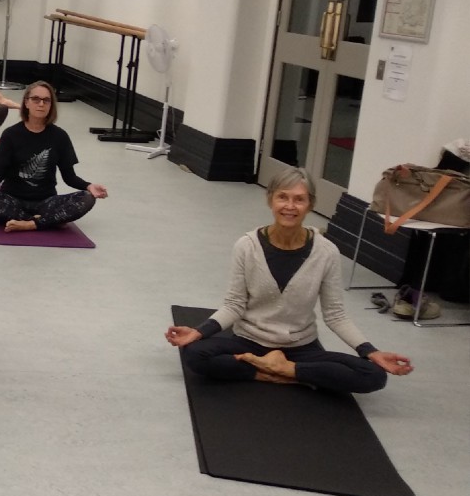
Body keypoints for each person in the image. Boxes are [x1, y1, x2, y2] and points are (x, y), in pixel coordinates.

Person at [165, 168, 413, 393]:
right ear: (270, 200)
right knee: (194, 354)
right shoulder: (247, 246)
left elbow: (335, 315)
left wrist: (371, 352)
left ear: (310, 204)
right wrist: (198, 332)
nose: (290, 206)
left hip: (301, 348)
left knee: (373, 375)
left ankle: (284, 369)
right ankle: (274, 373)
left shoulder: (326, 252)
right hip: (250, 343)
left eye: (299, 199)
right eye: (283, 197)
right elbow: (234, 305)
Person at [0, 80, 108, 231]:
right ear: (26, 103)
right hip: (13, 200)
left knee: (87, 198)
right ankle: (48, 220)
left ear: (51, 105)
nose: (41, 104)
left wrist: (89, 186)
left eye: (46, 100)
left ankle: (29, 223)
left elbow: (69, 177)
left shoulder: (60, 136)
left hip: (46, 202)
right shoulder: (10, 134)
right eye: (36, 99)